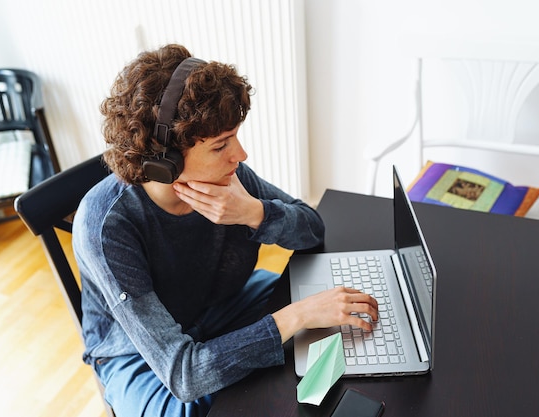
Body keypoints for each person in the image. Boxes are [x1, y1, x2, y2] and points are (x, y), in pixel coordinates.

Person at [73, 44, 378, 417]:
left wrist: (254, 213)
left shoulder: (227, 180)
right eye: (221, 145)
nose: (241, 155)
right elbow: (184, 374)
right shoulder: (106, 227)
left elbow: (312, 229)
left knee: (331, 319)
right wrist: (295, 317)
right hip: (140, 355)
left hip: (222, 307)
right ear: (163, 161)